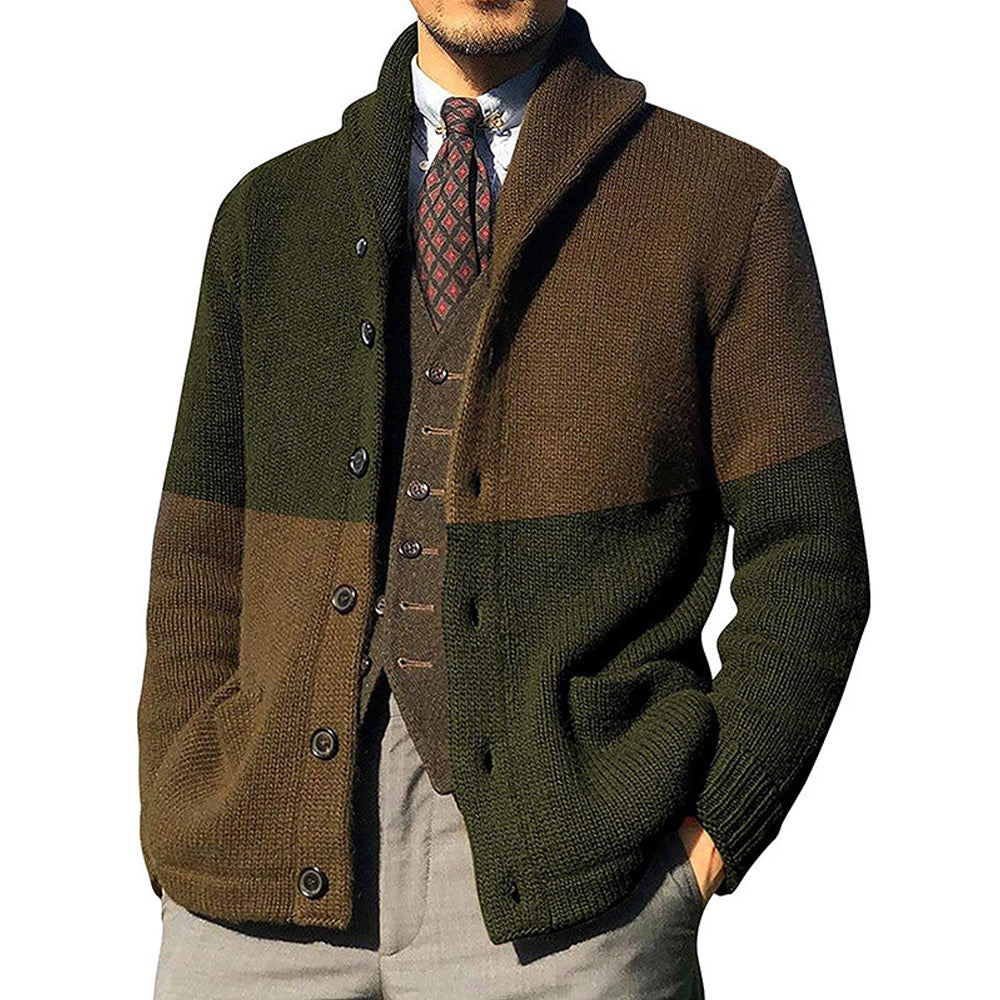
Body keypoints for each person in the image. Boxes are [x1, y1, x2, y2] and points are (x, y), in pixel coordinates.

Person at [139, 2, 871, 997]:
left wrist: (706, 843)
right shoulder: (268, 215)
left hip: (575, 893)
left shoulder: (721, 201)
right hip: (252, 877)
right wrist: (176, 800)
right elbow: (198, 556)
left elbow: (811, 556)